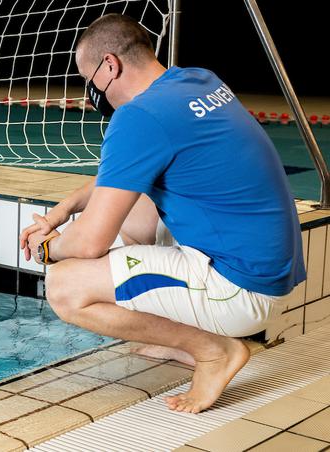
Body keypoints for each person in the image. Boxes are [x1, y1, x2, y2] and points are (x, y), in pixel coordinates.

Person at [20, 14, 305, 414]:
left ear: (110, 66)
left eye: (90, 81)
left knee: (65, 285)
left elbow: (89, 244)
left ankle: (213, 350)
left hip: (241, 290)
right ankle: (180, 336)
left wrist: (47, 246)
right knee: (137, 200)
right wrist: (60, 212)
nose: (92, 94)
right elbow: (120, 177)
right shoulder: (198, 80)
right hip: (268, 271)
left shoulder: (138, 117)